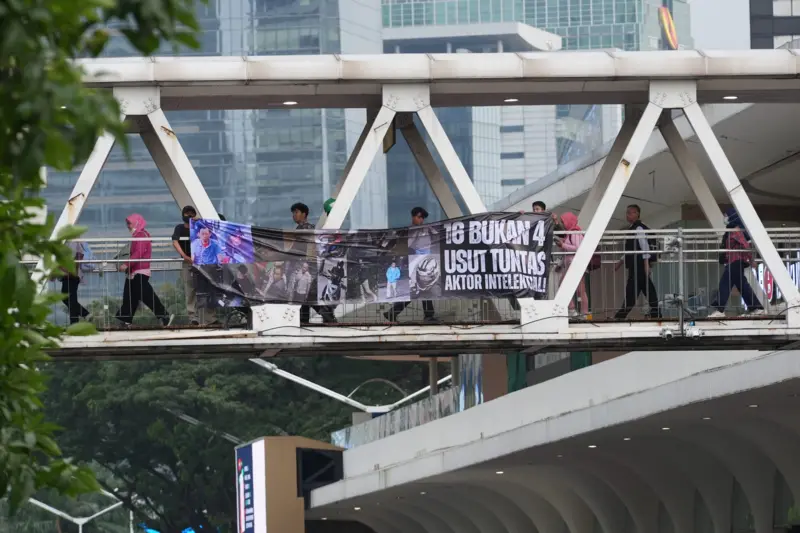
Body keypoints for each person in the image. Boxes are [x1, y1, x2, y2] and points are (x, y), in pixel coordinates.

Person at [116, 214, 174, 327]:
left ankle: (163, 315)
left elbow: (138, 253)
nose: (128, 226)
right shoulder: (138, 235)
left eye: (129, 223)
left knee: (145, 295)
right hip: (134, 272)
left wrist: (126, 264)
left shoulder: (141, 235)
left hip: (139, 271)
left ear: (136, 223)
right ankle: (125, 319)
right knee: (130, 296)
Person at [709, 208, 764, 318]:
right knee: (742, 286)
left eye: (726, 216)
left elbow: (745, 245)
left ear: (732, 217)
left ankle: (720, 309)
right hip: (734, 262)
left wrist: (751, 260)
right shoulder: (732, 230)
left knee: (725, 284)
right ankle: (756, 307)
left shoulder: (735, 230)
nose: (725, 218)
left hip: (735, 262)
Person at [385, 207, 436, 322]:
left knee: (421, 289)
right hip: (417, 259)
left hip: (425, 259)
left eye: (422, 218)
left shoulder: (425, 227)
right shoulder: (413, 229)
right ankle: (428, 315)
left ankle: (392, 313)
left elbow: (437, 234)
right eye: (419, 217)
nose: (421, 220)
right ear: (413, 217)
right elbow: (409, 244)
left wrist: (431, 229)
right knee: (420, 288)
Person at [290, 202, 336, 323]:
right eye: (293, 213)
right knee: (305, 295)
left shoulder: (302, 230)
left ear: (304, 214)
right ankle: (308, 319)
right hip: (312, 267)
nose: (294, 215)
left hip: (306, 267)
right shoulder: (312, 228)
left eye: (296, 212)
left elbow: (298, 250)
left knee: (305, 295)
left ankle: (325, 316)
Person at [614, 205, 661, 319]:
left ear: (637, 214)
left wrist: (646, 265)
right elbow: (632, 249)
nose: (628, 215)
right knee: (647, 289)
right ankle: (656, 313)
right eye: (627, 213)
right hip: (637, 264)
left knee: (633, 291)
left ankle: (620, 316)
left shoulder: (638, 228)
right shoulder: (634, 228)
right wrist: (620, 262)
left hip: (638, 265)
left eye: (631, 213)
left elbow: (644, 247)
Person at [172, 205, 205, 326]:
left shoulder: (199, 227)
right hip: (187, 262)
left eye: (192, 213)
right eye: (187, 213)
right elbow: (175, 241)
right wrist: (185, 256)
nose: (189, 216)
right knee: (190, 289)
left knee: (203, 289)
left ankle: (206, 316)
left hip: (201, 262)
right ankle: (192, 317)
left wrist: (200, 222)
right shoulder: (179, 228)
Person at [554, 212, 589, 317]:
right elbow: (567, 252)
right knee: (578, 289)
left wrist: (563, 245)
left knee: (578, 289)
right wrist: (560, 264)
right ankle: (579, 312)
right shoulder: (570, 233)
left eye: (563, 222)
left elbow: (578, 248)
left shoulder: (575, 233)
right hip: (571, 265)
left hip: (575, 264)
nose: (563, 224)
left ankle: (577, 311)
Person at [60, 241, 91, 324]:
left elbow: (79, 256)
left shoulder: (73, 242)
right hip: (68, 275)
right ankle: (78, 320)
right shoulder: (67, 243)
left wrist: (72, 269)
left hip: (71, 275)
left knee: (68, 299)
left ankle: (84, 315)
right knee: (70, 300)